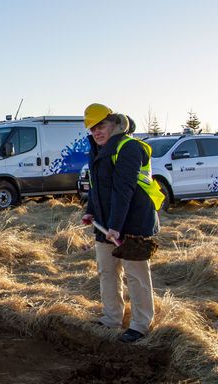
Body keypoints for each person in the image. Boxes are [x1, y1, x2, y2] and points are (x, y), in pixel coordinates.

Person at [81, 103, 163, 343]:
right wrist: (90, 212)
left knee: (136, 275)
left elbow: (123, 190)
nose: (97, 132)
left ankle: (140, 324)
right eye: (93, 128)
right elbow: (97, 188)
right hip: (106, 223)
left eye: (101, 126)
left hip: (134, 221)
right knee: (106, 271)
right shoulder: (97, 150)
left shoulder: (130, 148)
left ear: (115, 123)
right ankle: (111, 318)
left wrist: (116, 226)